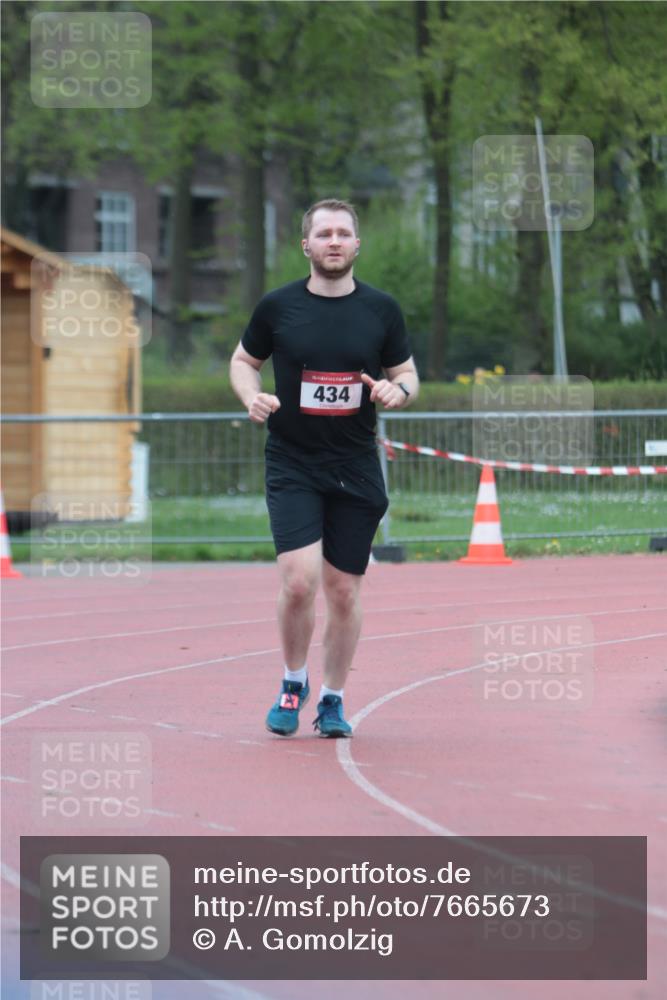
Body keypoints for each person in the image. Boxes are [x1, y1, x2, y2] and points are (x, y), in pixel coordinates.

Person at [230, 198, 419, 738]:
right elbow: (244, 360)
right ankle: (293, 683)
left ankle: (333, 698)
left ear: (357, 245)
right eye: (324, 233)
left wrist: (396, 391)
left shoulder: (381, 310)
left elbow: (407, 373)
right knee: (298, 581)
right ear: (306, 245)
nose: (334, 241)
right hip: (293, 460)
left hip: (355, 464)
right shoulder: (278, 306)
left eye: (343, 233)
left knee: (341, 588)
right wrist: (251, 395)